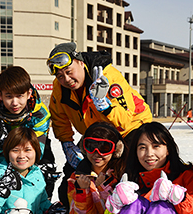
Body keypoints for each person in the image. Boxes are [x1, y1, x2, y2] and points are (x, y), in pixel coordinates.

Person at [46, 42, 152, 205]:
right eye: (60, 76)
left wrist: (106, 106)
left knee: (125, 172)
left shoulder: (108, 76)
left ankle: (133, 207)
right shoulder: (59, 87)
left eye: (69, 71)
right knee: (74, 172)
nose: (66, 79)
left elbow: (124, 120)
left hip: (131, 128)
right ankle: (74, 208)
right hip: (96, 131)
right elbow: (59, 117)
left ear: (80, 62)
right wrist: (67, 143)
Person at [0, 66, 58, 196]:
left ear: (29, 94)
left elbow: (38, 149)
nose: (15, 103)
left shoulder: (40, 114)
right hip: (5, 150)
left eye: (20, 96)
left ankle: (43, 201)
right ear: (0, 95)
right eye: (9, 96)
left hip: (33, 147)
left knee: (45, 171)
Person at [66, 122, 128, 214]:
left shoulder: (123, 175)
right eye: (91, 147)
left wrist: (104, 188)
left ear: (116, 149)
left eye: (104, 148)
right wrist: (83, 192)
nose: (97, 153)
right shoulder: (76, 178)